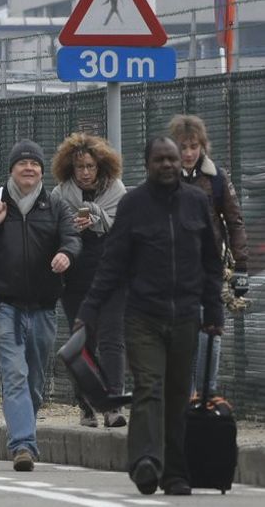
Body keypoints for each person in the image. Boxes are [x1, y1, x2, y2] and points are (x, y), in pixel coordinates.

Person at [76, 137, 224, 496]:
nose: (168, 164)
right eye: (160, 159)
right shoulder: (133, 205)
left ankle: (175, 472)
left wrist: (214, 310)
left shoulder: (196, 202)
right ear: (148, 164)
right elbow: (113, 262)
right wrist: (89, 309)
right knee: (149, 387)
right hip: (143, 315)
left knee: (177, 393)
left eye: (172, 159)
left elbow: (211, 262)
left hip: (187, 314)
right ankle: (145, 462)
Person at [0, 139, 81, 472]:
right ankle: (23, 445)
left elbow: (72, 237)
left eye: (35, 164)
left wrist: (65, 254)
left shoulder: (55, 205)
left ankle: (24, 422)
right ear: (12, 168)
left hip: (43, 307)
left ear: (42, 171)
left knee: (34, 381)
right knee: (15, 375)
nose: (29, 169)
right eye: (23, 163)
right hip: (5, 306)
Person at [168, 114, 250, 399]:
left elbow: (235, 221)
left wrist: (241, 267)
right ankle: (185, 395)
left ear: (202, 146)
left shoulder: (217, 179)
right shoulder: (165, 178)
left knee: (210, 333)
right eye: (183, 147)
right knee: (182, 336)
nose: (189, 153)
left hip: (209, 267)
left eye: (194, 146)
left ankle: (206, 394)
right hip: (174, 269)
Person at [50, 133, 127, 428]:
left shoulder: (116, 190)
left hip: (111, 274)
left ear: (101, 166)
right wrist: (72, 228)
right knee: (81, 339)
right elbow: (55, 232)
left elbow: (123, 227)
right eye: (79, 167)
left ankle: (113, 403)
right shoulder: (60, 194)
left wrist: (98, 219)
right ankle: (86, 403)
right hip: (76, 275)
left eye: (90, 166)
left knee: (112, 338)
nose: (84, 172)